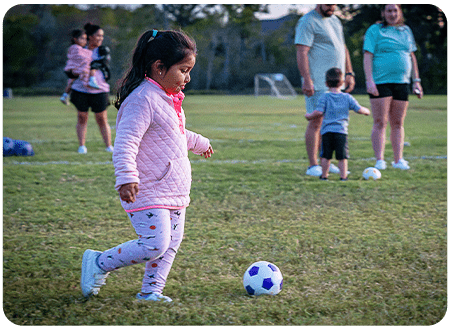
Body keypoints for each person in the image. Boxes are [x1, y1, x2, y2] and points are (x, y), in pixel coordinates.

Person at [80, 29, 214, 302]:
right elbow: (126, 142)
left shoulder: (167, 98)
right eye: (183, 70)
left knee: (171, 245)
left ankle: (151, 291)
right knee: (155, 244)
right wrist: (126, 177)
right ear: (159, 67)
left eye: (189, 71)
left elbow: (173, 133)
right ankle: (98, 263)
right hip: (148, 189)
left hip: (173, 187)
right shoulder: (143, 100)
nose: (187, 78)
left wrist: (199, 142)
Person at [295, 4, 356, 177]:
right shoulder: (307, 21)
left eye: (334, 4)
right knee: (316, 122)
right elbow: (302, 51)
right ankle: (313, 165)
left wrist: (349, 72)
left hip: (337, 83)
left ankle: (326, 163)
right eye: (328, 4)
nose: (331, 7)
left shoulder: (336, 20)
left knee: (330, 123)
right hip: (318, 82)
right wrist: (307, 79)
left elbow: (342, 48)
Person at [363, 4, 423, 170]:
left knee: (398, 123)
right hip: (380, 82)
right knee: (380, 122)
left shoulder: (406, 31)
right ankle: (380, 160)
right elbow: (368, 56)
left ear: (400, 12)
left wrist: (416, 81)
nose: (392, 13)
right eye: (389, 10)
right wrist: (369, 80)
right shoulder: (375, 30)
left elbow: (411, 56)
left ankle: (398, 160)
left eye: (395, 10)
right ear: (383, 13)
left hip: (402, 82)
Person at [305, 68, 370, 180]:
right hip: (341, 132)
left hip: (327, 132)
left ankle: (324, 176)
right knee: (342, 157)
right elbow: (358, 109)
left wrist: (309, 116)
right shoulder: (347, 97)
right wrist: (366, 111)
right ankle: (343, 176)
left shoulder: (324, 96)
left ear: (326, 83)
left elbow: (319, 112)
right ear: (343, 83)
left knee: (326, 156)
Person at [69, 23, 113, 154]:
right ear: (90, 36)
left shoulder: (103, 50)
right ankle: (82, 146)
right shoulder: (79, 49)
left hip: (99, 90)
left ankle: (109, 146)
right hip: (80, 89)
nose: (100, 38)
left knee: (101, 118)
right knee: (82, 116)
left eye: (102, 36)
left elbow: (103, 63)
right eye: (98, 35)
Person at [60, 29, 101, 106]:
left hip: (73, 69)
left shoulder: (79, 48)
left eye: (85, 39)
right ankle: (92, 81)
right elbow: (79, 57)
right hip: (75, 68)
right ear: (75, 39)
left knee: (71, 82)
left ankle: (65, 95)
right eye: (82, 38)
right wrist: (89, 55)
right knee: (91, 67)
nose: (84, 41)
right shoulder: (75, 47)